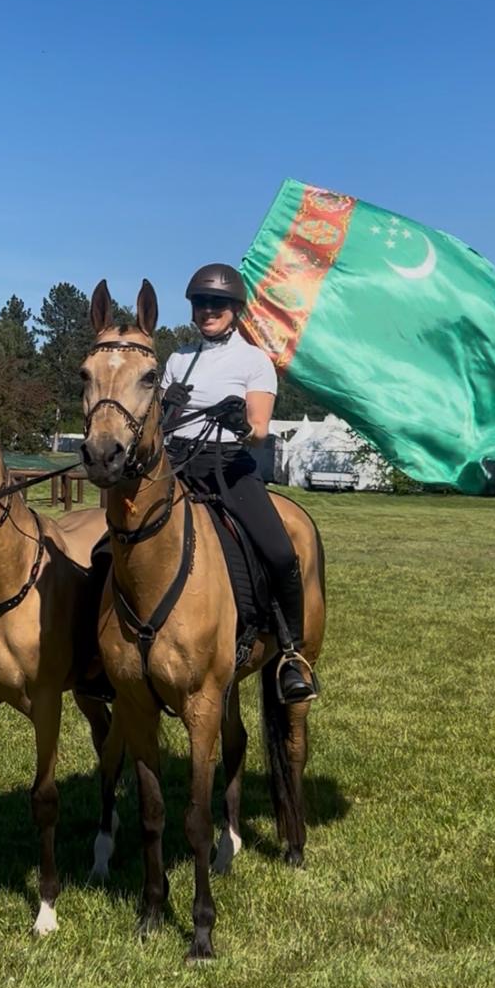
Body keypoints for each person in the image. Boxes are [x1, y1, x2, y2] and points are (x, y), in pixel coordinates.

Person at [161, 263, 316, 703]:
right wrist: (164, 408)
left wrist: (239, 422)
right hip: (175, 465)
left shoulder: (253, 360)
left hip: (227, 467)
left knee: (281, 553)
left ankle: (290, 654)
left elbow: (261, 427)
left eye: (217, 303)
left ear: (234, 309)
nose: (208, 310)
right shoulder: (177, 359)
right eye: (200, 302)